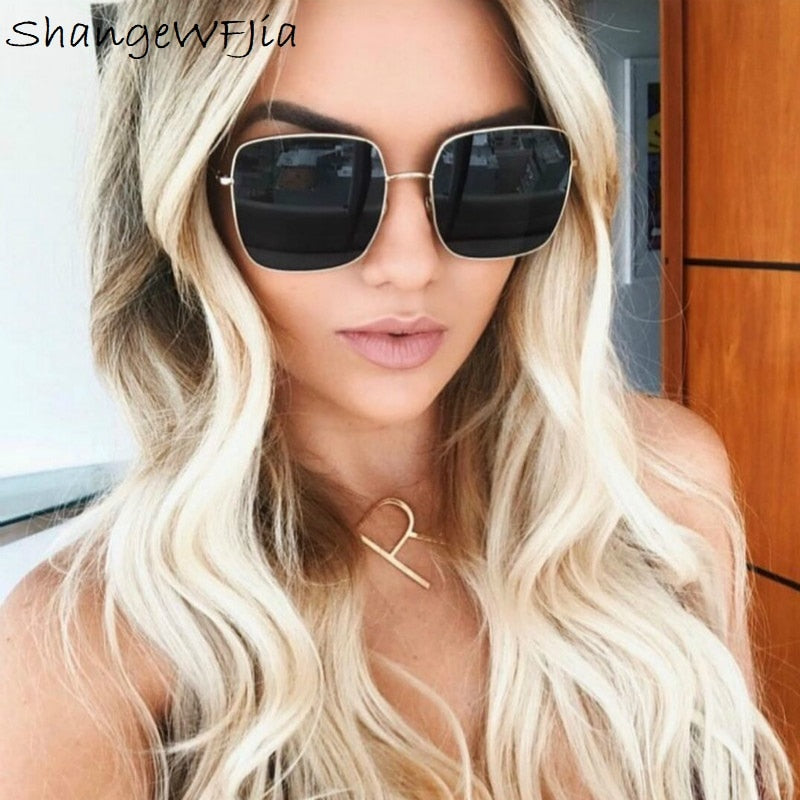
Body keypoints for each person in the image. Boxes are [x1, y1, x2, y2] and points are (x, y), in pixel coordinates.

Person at [0, 0, 794, 798]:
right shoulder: (82, 660)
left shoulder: (661, 492)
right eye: (307, 177)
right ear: (187, 204)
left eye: (490, 166)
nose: (411, 264)